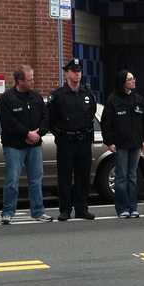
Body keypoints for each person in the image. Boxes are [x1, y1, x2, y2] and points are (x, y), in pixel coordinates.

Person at [0, 64, 49, 225]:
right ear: (19, 81)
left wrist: (38, 134)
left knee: (36, 180)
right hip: (14, 146)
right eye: (30, 79)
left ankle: (38, 211)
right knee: (12, 180)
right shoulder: (7, 99)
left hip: (34, 146)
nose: (32, 82)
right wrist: (27, 134)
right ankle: (8, 212)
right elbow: (8, 123)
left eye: (33, 78)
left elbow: (45, 118)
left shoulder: (36, 97)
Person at [47, 58, 97, 221]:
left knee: (83, 176)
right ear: (67, 73)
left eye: (79, 71)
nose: (77, 74)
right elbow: (51, 120)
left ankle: (82, 208)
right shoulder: (58, 96)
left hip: (83, 140)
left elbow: (91, 115)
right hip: (66, 141)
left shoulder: (87, 94)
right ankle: (65, 209)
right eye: (74, 71)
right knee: (65, 177)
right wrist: (60, 135)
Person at [101, 69, 144, 218]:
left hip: (135, 144)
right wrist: (109, 141)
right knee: (121, 177)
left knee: (132, 176)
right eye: (130, 79)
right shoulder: (113, 99)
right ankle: (122, 208)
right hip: (120, 144)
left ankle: (133, 206)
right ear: (123, 82)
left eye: (133, 78)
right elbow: (106, 123)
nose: (133, 81)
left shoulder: (138, 99)